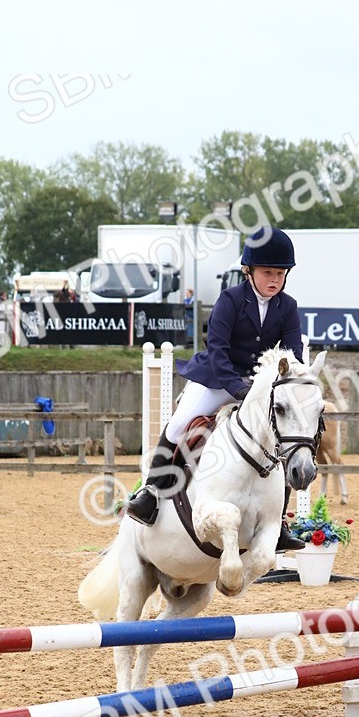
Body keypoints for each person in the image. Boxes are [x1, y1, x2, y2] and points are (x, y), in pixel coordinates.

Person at [126, 226, 305, 551]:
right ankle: (150, 493)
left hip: (260, 387)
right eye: (268, 272)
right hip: (218, 378)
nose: (275, 279)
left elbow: (293, 355)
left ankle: (277, 523)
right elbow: (217, 348)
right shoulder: (230, 300)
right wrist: (237, 388)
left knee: (281, 438)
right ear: (248, 270)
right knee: (181, 422)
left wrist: (285, 384)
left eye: (280, 273)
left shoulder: (288, 306)